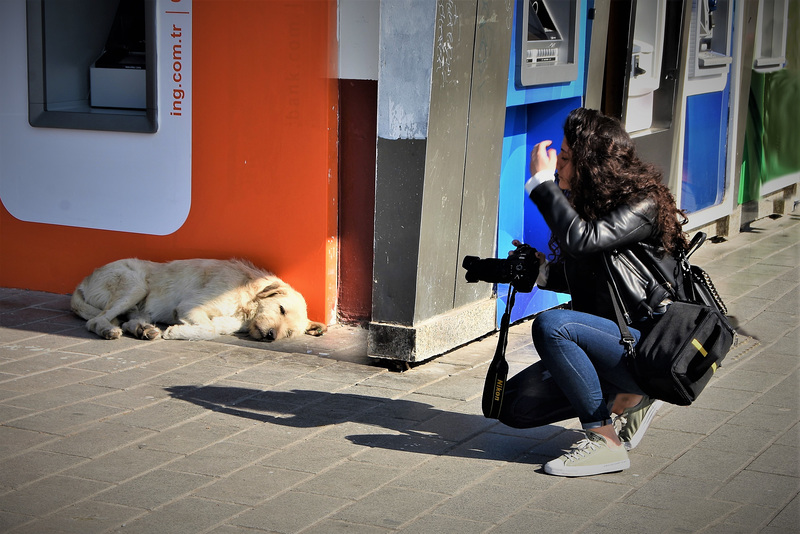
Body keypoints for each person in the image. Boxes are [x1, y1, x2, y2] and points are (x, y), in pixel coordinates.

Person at [521, 107, 689, 477]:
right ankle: (632, 399)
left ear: (591, 163)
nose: (558, 166)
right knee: (517, 406)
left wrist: (542, 184)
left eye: (565, 159)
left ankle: (605, 442)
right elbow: (595, 272)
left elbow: (584, 241)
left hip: (650, 346)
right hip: (623, 338)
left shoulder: (643, 204)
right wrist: (542, 273)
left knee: (552, 327)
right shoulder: (596, 204)